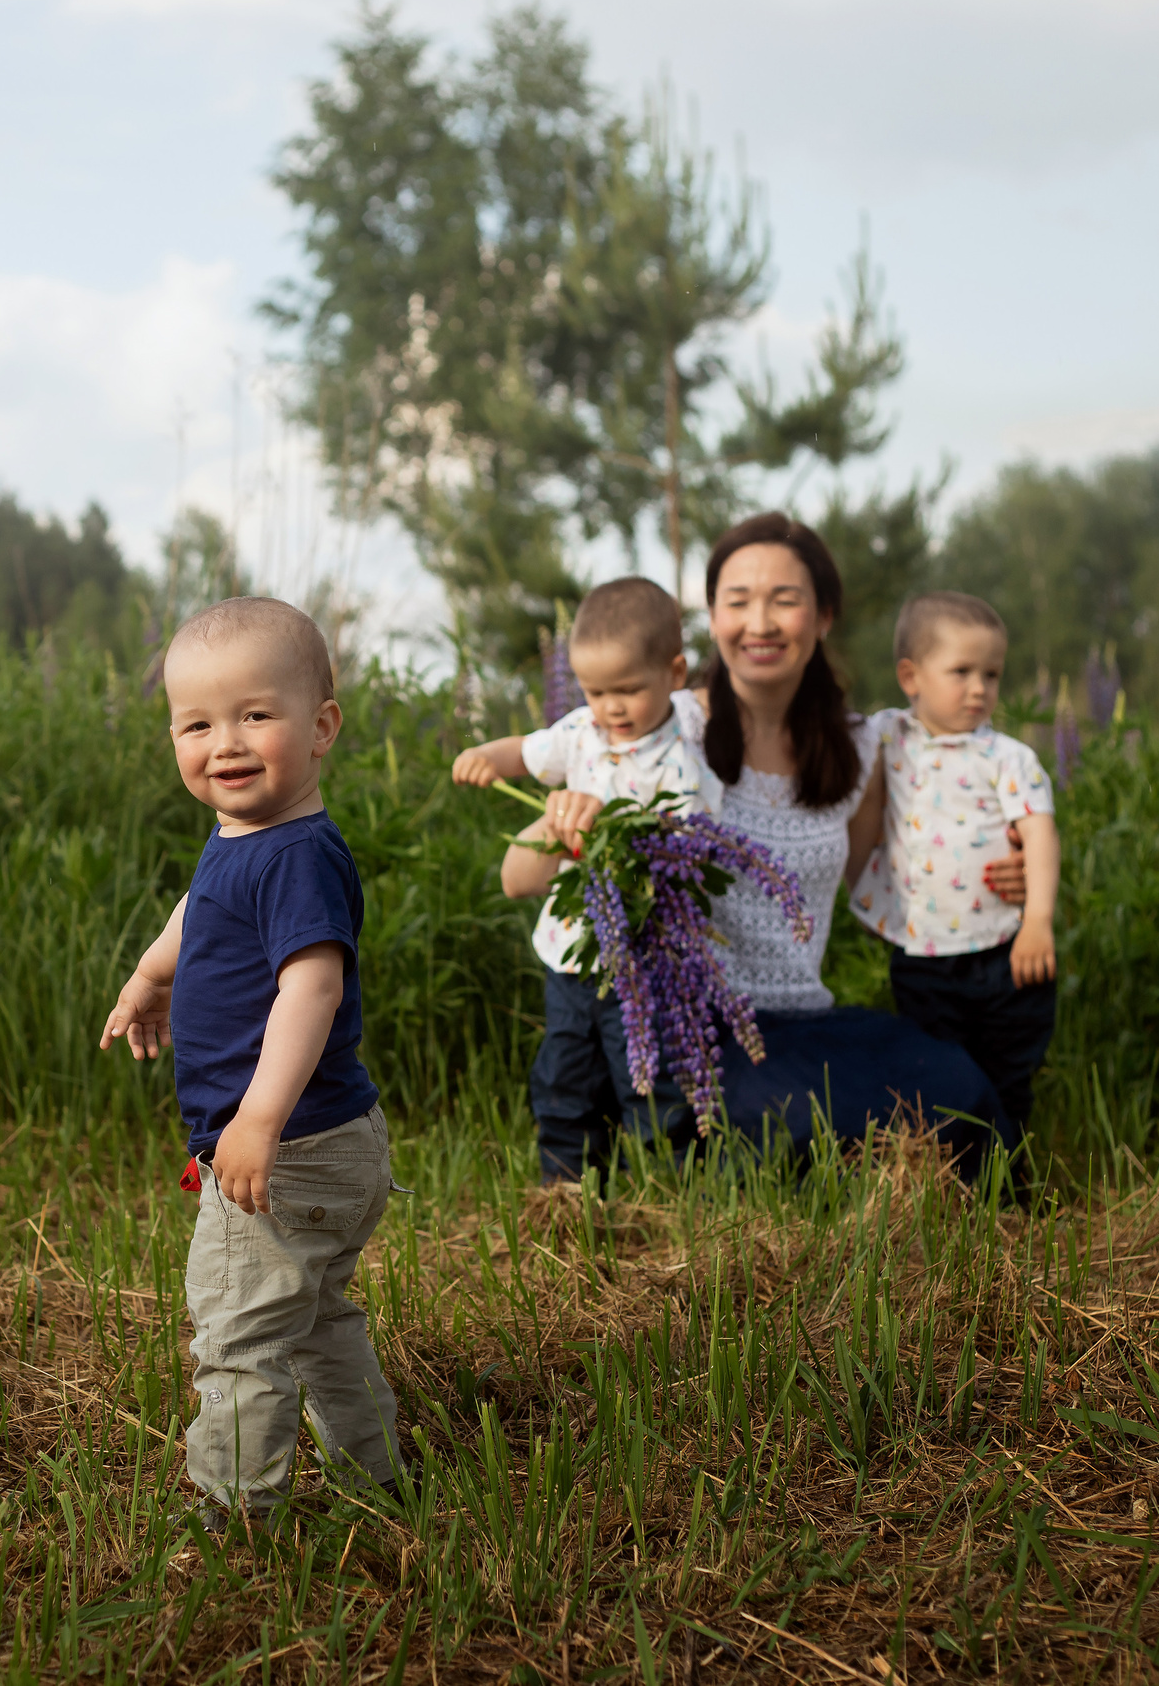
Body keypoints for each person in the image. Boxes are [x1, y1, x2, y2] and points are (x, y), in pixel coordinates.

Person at [529, 515, 1024, 1183]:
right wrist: (562, 824)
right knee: (784, 1127)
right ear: (713, 616)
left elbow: (908, 853)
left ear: (822, 615)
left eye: (784, 600)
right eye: (737, 601)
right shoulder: (660, 730)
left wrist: (1001, 871)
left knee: (955, 1089)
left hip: (804, 1019)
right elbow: (545, 856)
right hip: (698, 1025)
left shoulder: (861, 745)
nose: (758, 622)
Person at [98, 596, 403, 1535]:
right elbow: (200, 908)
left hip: (291, 1149)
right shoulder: (245, 837)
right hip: (326, 1141)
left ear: (321, 729)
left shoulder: (300, 857)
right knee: (312, 1321)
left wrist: (259, 1119)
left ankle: (234, 1512)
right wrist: (152, 977)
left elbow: (310, 991)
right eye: (196, 723)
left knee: (237, 1333)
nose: (224, 742)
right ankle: (374, 1472)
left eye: (255, 715)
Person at [450, 577, 720, 1189]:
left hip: (645, 955)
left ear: (674, 673)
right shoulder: (583, 731)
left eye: (629, 689)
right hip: (570, 951)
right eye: (597, 691)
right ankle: (565, 1185)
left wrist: (614, 827)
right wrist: (489, 757)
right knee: (564, 1072)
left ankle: (662, 1186)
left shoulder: (680, 763)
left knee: (648, 1075)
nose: (612, 708)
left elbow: (686, 854)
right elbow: (530, 750)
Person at [849, 592, 1061, 1134]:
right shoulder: (888, 736)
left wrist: (1037, 919)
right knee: (936, 1076)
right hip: (921, 951)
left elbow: (1039, 832)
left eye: (991, 674)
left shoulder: (1006, 756)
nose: (979, 689)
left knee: (1009, 1073)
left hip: (1003, 949)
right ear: (910, 676)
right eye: (961, 671)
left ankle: (1010, 1191)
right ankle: (954, 1188)